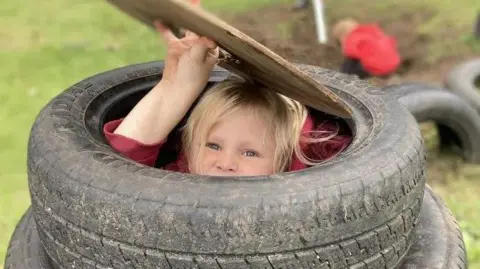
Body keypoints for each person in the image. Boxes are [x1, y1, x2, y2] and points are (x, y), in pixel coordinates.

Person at [103, 19, 352, 177]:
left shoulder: (310, 194)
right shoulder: (180, 178)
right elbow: (113, 174)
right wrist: (176, 88)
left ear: (285, 159)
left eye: (250, 153)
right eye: (212, 145)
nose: (225, 163)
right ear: (190, 146)